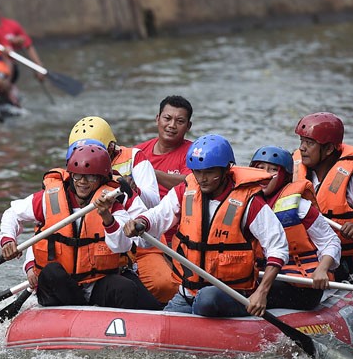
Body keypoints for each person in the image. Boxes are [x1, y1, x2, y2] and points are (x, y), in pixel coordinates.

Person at [123, 135, 290, 318]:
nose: (202, 179)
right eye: (197, 172)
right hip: (187, 293)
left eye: (209, 172)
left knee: (206, 299)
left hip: (231, 294)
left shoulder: (249, 201)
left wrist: (262, 292)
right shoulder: (186, 190)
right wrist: (141, 222)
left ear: (227, 169)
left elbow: (277, 246)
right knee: (171, 317)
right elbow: (159, 214)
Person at [0, 144, 160, 310]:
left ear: (102, 178)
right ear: (71, 175)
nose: (82, 182)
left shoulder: (113, 203)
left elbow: (122, 245)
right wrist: (8, 240)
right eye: (78, 176)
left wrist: (106, 216)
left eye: (90, 177)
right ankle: (79, 315)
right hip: (61, 286)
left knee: (125, 288)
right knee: (51, 272)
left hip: (95, 282)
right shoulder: (49, 199)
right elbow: (12, 214)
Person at [67, 116, 178, 303]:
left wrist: (133, 191)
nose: (85, 156)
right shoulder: (74, 173)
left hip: (139, 242)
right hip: (95, 247)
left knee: (164, 287)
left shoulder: (135, 157)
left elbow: (152, 204)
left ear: (110, 147)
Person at [292, 112, 353, 280]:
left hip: (340, 259)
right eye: (301, 141)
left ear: (329, 148)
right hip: (301, 256)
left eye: (309, 143)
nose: (302, 148)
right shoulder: (293, 170)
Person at [249, 145, 341, 310]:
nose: (265, 175)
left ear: (284, 176)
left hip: (300, 285)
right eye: (260, 168)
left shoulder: (300, 207)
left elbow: (331, 240)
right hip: (262, 276)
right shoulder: (245, 204)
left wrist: (322, 269)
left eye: (272, 170)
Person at [135, 95, 194, 197]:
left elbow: (191, 184)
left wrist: (149, 172)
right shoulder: (137, 152)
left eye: (180, 121)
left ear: (188, 126)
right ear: (157, 119)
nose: (172, 125)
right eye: (167, 118)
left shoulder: (194, 154)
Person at [0, 0, 46, 84]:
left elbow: (28, 45)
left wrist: (38, 66)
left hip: (9, 67)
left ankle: (7, 86)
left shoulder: (12, 25)